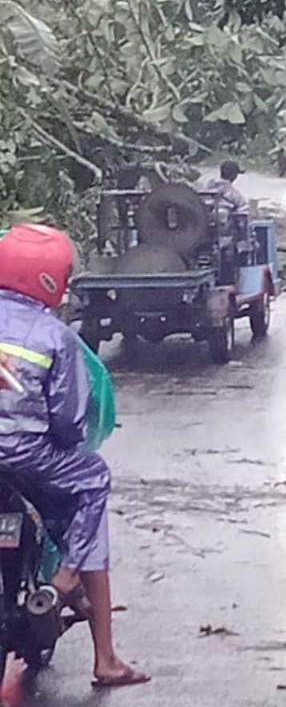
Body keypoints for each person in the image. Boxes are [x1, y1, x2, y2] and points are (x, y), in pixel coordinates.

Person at [0, 224, 148, 688]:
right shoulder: (54, 336)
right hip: (27, 459)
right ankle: (73, 593)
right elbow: (68, 423)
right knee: (93, 478)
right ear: (51, 279)